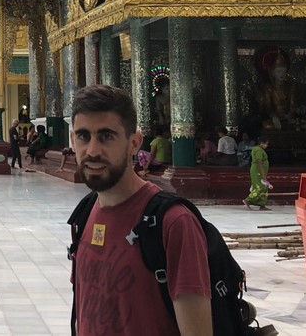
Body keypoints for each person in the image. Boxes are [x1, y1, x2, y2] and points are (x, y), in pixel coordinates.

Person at [69, 85, 211, 335]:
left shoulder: (173, 223)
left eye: (106, 136)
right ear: (72, 140)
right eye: (83, 136)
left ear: (134, 142)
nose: (92, 151)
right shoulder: (83, 214)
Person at [243, 135, 272, 211]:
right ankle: (248, 200)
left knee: (265, 187)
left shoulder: (258, 149)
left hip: (260, 171)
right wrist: (263, 174)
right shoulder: (258, 150)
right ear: (261, 143)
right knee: (260, 187)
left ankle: (262, 205)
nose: (267, 145)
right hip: (257, 171)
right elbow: (259, 162)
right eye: (266, 144)